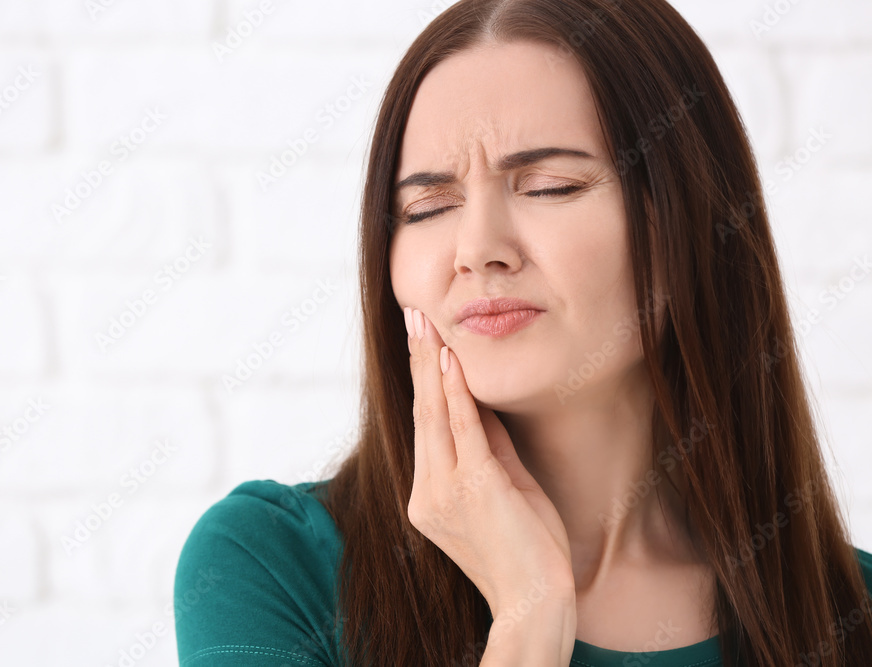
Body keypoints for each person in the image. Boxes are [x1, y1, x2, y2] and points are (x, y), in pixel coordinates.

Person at [175, 0, 872, 665]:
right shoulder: (271, 563)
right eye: (428, 207)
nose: (477, 249)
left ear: (690, 222)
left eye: (550, 188)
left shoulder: (853, 610)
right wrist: (528, 619)